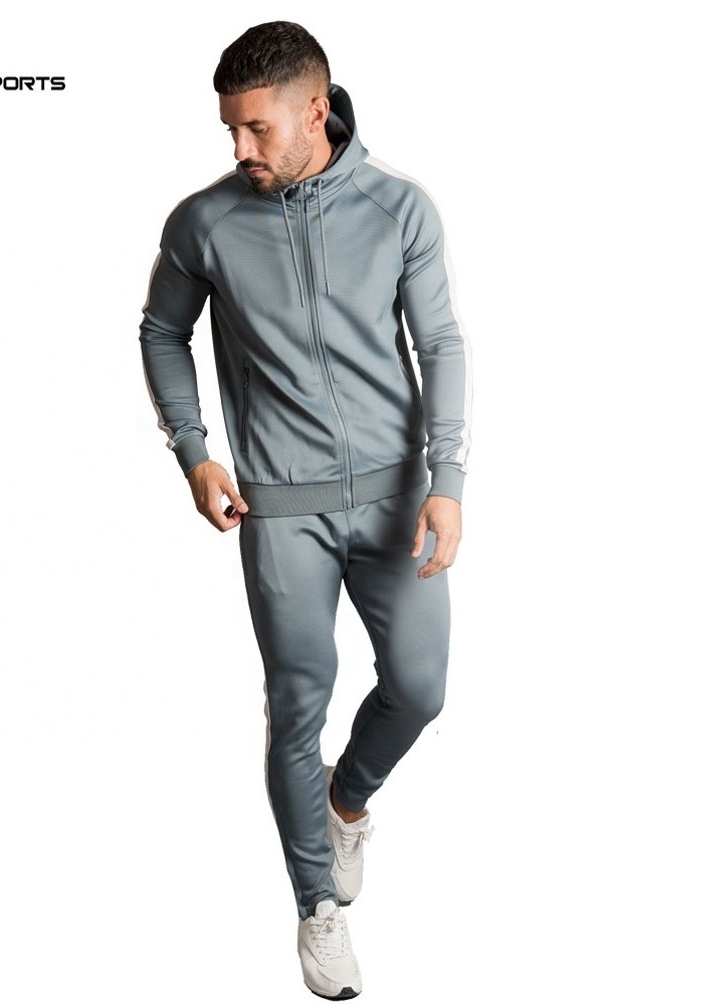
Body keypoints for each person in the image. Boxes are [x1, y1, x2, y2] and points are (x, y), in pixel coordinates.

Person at [139, 21, 471, 1000]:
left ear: (315, 110)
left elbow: (441, 344)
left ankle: (346, 801)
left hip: (397, 499)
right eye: (229, 130)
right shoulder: (204, 222)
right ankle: (317, 903)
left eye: (257, 128)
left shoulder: (398, 208)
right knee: (297, 702)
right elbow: (160, 332)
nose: (240, 148)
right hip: (279, 509)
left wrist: (447, 480)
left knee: (419, 688)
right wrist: (194, 453)